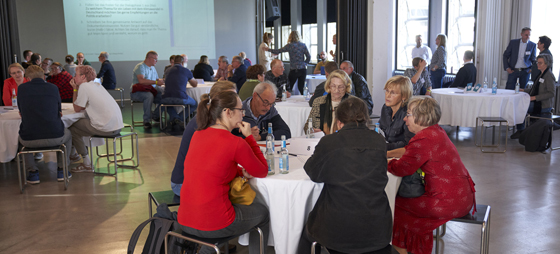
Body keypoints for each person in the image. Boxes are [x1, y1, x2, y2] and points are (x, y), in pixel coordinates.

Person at [177, 91, 270, 254]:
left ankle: (207, 250)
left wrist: (241, 172)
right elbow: (262, 170)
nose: (243, 114)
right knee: (263, 212)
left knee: (214, 207)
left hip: (184, 218)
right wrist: (249, 137)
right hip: (214, 223)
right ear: (228, 112)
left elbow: (213, 168)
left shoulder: (198, 134)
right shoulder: (235, 142)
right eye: (240, 110)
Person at [298, 97, 392, 254]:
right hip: (377, 227)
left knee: (306, 232)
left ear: (339, 122)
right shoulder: (379, 141)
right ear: (366, 119)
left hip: (337, 230)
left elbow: (313, 173)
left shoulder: (329, 142)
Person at [387, 97, 476, 254]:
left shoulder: (423, 139)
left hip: (447, 202)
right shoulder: (435, 131)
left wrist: (382, 162)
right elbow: (409, 150)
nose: (405, 119)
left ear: (421, 117)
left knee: (395, 206)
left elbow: (401, 169)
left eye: (408, 114)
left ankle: (406, 250)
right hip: (463, 197)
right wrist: (386, 153)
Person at [170, 81, 237, 196]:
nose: (235, 102)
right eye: (230, 99)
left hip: (188, 180)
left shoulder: (209, 116)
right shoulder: (208, 122)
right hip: (183, 184)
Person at [17, 65, 72, 183]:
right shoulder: (53, 88)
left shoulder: (21, 89)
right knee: (68, 134)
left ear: (27, 78)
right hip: (55, 137)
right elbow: (59, 110)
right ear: (43, 76)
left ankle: (33, 173)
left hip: (29, 139)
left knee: (20, 137)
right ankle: (62, 170)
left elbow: (21, 111)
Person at [69, 65, 124, 173]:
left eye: (76, 75)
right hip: (117, 127)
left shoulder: (84, 87)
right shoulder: (97, 85)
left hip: (106, 128)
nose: (74, 78)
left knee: (72, 127)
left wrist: (75, 89)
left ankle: (86, 162)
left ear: (83, 77)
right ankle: (78, 155)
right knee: (81, 125)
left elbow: (77, 108)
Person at [511, 54, 556, 139]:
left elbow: (551, 93)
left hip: (543, 105)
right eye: (537, 62)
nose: (538, 65)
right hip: (537, 102)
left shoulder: (549, 75)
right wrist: (523, 90)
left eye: (540, 63)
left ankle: (522, 131)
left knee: (521, 107)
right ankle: (521, 130)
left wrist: (535, 97)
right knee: (519, 106)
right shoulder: (541, 74)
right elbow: (535, 89)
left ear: (546, 64)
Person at [304, 70, 359, 135]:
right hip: (322, 142)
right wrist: (312, 131)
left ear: (346, 87)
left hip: (345, 143)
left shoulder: (354, 103)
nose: (337, 90)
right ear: (329, 86)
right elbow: (307, 126)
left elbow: (360, 129)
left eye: (341, 87)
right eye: (333, 86)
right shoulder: (318, 102)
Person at [379, 76, 415, 158]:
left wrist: (384, 147)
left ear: (404, 96)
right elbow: (380, 131)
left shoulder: (408, 114)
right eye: (387, 91)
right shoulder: (385, 108)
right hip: (386, 151)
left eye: (393, 93)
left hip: (402, 155)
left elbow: (408, 144)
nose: (387, 95)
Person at [130, 51, 165, 129]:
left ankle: (155, 115)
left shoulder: (153, 68)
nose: (156, 61)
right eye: (155, 59)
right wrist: (156, 82)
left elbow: (156, 79)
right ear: (149, 58)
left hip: (151, 90)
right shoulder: (140, 66)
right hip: (137, 92)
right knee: (148, 96)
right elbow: (141, 81)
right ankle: (147, 120)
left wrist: (163, 80)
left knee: (165, 96)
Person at [161, 55, 198, 127]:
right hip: (180, 97)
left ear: (173, 62)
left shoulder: (167, 70)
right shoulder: (186, 70)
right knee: (195, 104)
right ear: (183, 62)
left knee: (167, 105)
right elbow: (194, 84)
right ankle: (180, 118)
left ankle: (175, 118)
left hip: (166, 97)